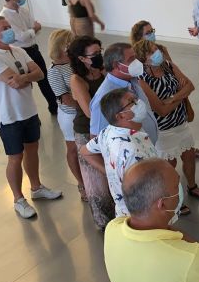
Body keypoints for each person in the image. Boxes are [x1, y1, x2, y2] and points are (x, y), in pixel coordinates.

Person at [0, 16, 62, 219]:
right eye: (5, 28)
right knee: (15, 157)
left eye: (9, 26)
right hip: (9, 116)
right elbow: (12, 81)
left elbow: (40, 73)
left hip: (29, 111)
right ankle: (18, 199)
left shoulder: (19, 50)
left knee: (32, 150)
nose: (10, 30)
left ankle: (36, 187)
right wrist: (27, 77)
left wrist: (23, 77)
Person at [133, 39, 199, 204]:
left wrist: (172, 98)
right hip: (163, 130)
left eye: (156, 49)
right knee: (169, 165)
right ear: (143, 59)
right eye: (152, 52)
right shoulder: (142, 79)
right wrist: (179, 96)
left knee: (189, 156)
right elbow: (161, 110)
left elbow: (190, 86)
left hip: (181, 123)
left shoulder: (168, 66)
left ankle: (192, 185)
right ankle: (172, 197)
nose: (157, 53)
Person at [80, 88, 161, 217]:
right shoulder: (132, 151)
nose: (138, 103)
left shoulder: (109, 131)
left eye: (136, 99)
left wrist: (111, 172)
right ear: (120, 115)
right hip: (143, 214)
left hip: (125, 210)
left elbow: (85, 151)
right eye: (132, 102)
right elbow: (144, 191)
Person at [68, 35, 115, 229]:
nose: (99, 56)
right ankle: (105, 224)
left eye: (100, 52)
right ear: (82, 59)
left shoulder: (103, 71)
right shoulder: (77, 79)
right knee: (97, 184)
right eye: (94, 54)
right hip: (87, 133)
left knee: (114, 175)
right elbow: (90, 112)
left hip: (110, 128)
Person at [0, 0, 58, 114]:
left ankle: (54, 106)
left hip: (33, 49)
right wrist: (33, 30)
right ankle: (31, 114)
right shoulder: (4, 17)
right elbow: (21, 36)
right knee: (26, 83)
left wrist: (31, 31)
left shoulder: (23, 10)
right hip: (20, 52)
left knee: (44, 79)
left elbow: (33, 30)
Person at [89, 42, 158, 144]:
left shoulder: (133, 80)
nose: (137, 62)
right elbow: (97, 140)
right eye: (131, 60)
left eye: (135, 58)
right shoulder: (104, 97)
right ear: (116, 65)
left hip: (148, 148)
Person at [47, 29, 85, 199]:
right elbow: (66, 99)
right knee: (73, 149)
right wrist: (86, 105)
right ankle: (81, 183)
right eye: (70, 42)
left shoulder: (74, 62)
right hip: (71, 115)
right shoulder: (55, 70)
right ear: (62, 46)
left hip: (83, 111)